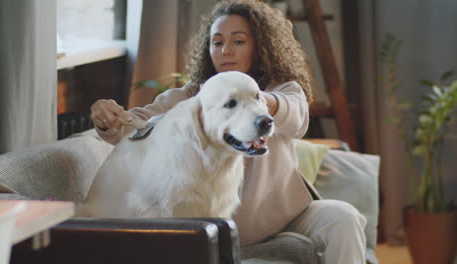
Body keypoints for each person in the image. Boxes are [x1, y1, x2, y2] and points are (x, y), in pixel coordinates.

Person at [90, 1, 366, 263]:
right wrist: (107, 118)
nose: (226, 51)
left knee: (344, 217)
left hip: (288, 215)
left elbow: (296, 118)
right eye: (217, 42)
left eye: (238, 41)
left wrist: (256, 99)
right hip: (222, 224)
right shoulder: (189, 100)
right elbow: (132, 129)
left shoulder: (281, 91)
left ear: (260, 46)